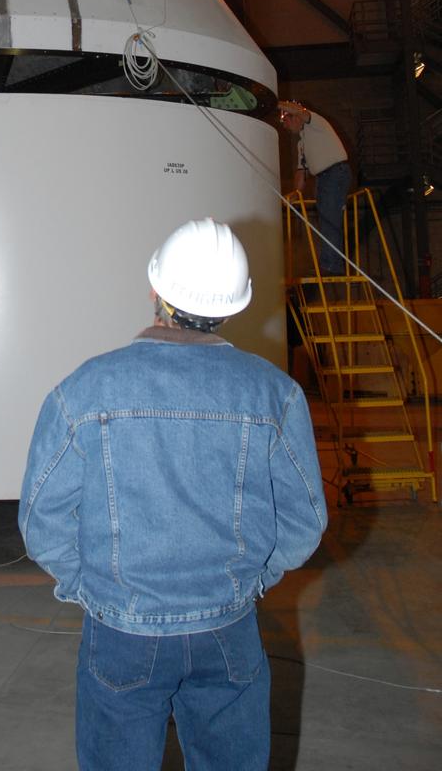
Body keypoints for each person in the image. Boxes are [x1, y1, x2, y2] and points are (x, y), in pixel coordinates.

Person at [19, 218, 326, 771]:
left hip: (122, 629)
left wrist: (93, 590)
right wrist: (247, 581)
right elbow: (302, 523)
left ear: (155, 290)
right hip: (228, 628)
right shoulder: (274, 393)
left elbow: (42, 519)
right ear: (234, 307)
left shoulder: (85, 389)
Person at [278, 100, 351, 274]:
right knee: (326, 219)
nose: (285, 127)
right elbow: (301, 170)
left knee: (329, 219)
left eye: (285, 121)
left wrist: (275, 103)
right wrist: (296, 193)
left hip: (335, 173)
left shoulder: (315, 123)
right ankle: (329, 262)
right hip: (324, 178)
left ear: (295, 117)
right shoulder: (301, 144)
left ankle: (331, 265)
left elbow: (302, 111)